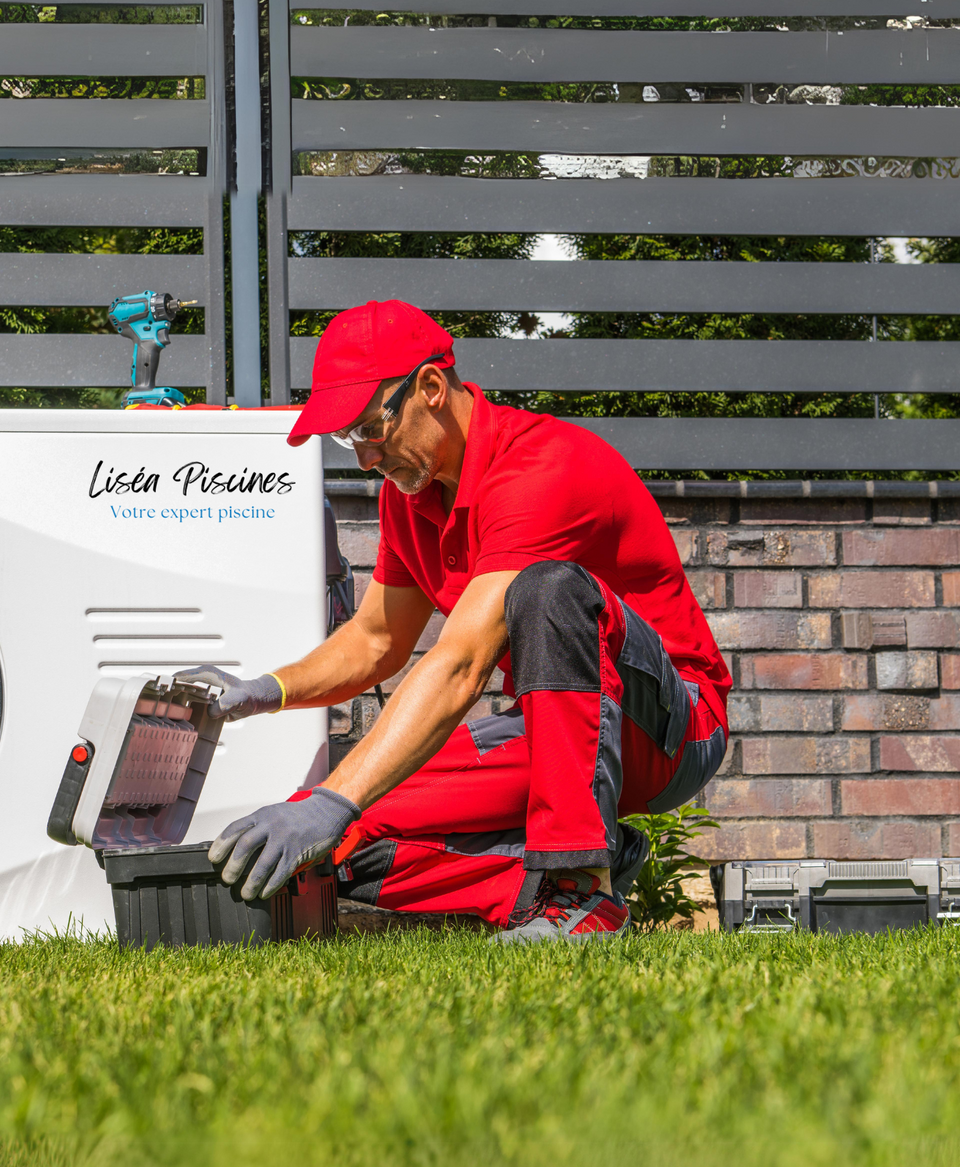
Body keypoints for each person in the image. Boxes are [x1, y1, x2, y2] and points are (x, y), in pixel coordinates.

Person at [177, 300, 730, 943]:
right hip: (557, 734)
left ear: (432, 388)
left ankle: (581, 890)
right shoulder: (408, 498)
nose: (363, 458)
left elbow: (462, 661)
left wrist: (335, 796)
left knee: (548, 590)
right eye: (346, 440)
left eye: (369, 430)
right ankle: (572, 872)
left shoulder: (541, 467)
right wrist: (262, 692)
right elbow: (375, 640)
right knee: (336, 844)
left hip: (670, 727)